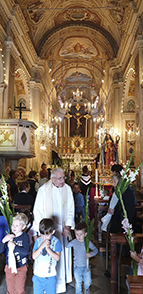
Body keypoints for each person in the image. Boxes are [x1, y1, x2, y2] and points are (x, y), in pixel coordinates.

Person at [33, 167, 75, 293]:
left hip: (62, 228)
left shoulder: (67, 189)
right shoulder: (43, 190)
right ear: (52, 179)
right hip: (47, 231)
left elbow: (70, 208)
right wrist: (42, 232)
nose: (62, 180)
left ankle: (61, 283)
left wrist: (67, 226)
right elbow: (38, 211)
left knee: (60, 254)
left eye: (63, 178)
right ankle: (47, 284)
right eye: (60, 178)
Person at [64, 222, 98, 294]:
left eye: (81, 234)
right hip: (77, 267)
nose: (78, 236)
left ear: (85, 234)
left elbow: (96, 250)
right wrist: (65, 237)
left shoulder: (87, 242)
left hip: (86, 267)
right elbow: (67, 245)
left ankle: (86, 288)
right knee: (78, 283)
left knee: (88, 282)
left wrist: (90, 254)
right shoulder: (74, 242)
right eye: (77, 234)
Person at [0, 213, 30, 294]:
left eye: (17, 225)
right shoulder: (9, 235)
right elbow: (0, 250)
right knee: (10, 289)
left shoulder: (25, 237)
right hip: (9, 266)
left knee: (19, 289)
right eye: (13, 224)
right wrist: (3, 240)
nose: (14, 227)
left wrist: (14, 247)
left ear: (23, 227)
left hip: (21, 267)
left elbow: (26, 251)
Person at [32, 218, 62, 294]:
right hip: (37, 276)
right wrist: (41, 246)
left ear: (53, 232)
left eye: (47, 235)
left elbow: (57, 258)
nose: (44, 238)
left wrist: (48, 249)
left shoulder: (56, 242)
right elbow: (34, 256)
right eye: (42, 235)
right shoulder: (38, 241)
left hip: (50, 277)